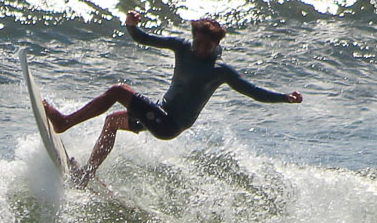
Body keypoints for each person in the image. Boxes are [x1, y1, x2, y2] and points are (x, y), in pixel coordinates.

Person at [44, 10, 302, 188]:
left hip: (170, 124)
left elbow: (253, 91)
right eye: (198, 43)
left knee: (118, 91)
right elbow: (144, 38)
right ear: (194, 39)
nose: (201, 50)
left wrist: (284, 98)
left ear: (216, 46)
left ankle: (64, 122)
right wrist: (131, 26)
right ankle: (87, 176)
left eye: (207, 47)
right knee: (112, 121)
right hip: (159, 113)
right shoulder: (182, 47)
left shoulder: (220, 71)